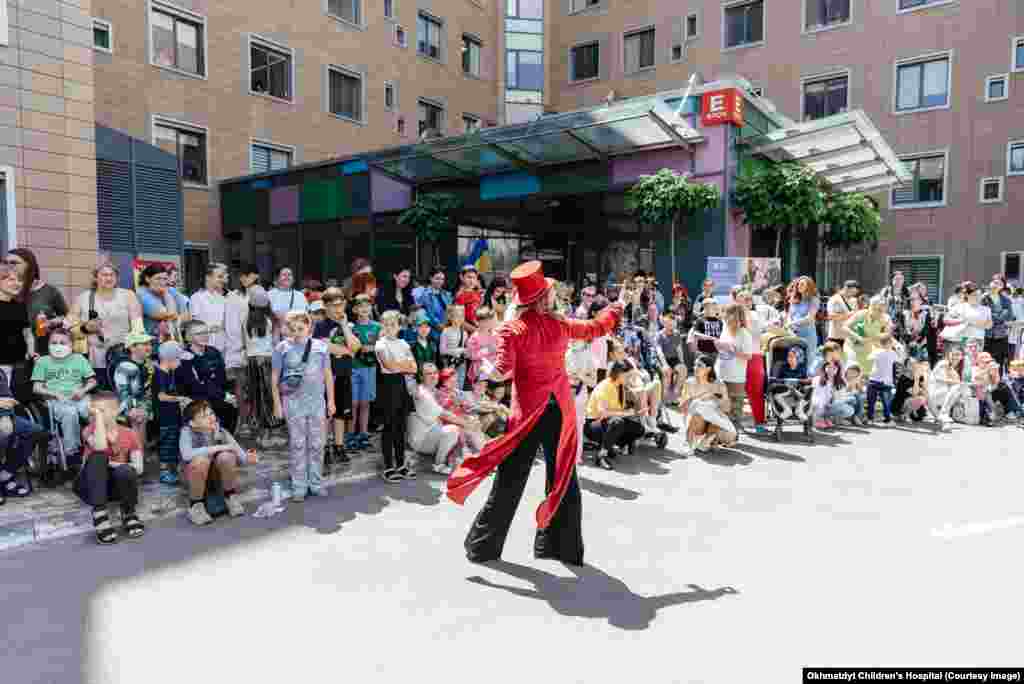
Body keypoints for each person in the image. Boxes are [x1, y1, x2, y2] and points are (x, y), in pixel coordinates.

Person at [447, 260, 626, 567]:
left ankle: (483, 548)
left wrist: (484, 368)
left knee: (508, 483)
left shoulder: (512, 329)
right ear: (544, 297)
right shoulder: (560, 323)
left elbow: (501, 372)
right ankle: (559, 548)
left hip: (527, 415)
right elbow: (597, 327)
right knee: (563, 480)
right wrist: (618, 306)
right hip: (558, 411)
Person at [272, 311, 335, 502]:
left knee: (317, 444)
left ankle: (316, 482)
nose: (297, 332)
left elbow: (327, 375)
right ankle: (299, 485)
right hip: (293, 402)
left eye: (301, 328)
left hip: (316, 402)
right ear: (288, 329)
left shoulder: (321, 347)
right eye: (293, 329)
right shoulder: (282, 347)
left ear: (309, 327)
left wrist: (331, 401)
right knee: (298, 444)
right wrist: (277, 404)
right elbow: (274, 376)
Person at [75, 394, 145, 544]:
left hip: (114, 487)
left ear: (116, 411)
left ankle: (128, 512)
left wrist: (113, 463)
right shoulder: (88, 430)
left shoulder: (130, 433)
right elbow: (100, 447)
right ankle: (100, 513)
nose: (95, 413)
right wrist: (99, 418)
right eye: (93, 410)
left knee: (125, 470)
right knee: (98, 457)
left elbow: (138, 468)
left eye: (101, 410)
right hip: (91, 485)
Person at [179, 400, 259, 525]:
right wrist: (219, 447)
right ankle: (196, 506)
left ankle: (230, 496)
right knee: (200, 460)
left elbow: (241, 456)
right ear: (192, 423)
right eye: (204, 416)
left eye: (211, 413)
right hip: (195, 476)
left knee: (227, 457)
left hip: (215, 477)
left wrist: (250, 458)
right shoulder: (186, 432)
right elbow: (187, 454)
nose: (211, 418)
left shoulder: (221, 431)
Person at [70, 261, 144, 390]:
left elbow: (138, 327)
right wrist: (85, 328)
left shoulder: (128, 296)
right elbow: (69, 330)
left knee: (125, 395)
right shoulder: (83, 298)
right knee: (99, 399)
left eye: (112, 275)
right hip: (94, 359)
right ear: (95, 277)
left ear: (117, 278)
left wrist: (139, 351)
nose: (109, 278)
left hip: (123, 356)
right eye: (104, 275)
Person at [31, 327, 96, 465]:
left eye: (62, 342)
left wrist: (83, 390)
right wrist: (54, 393)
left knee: (93, 412)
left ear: (71, 345)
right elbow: (36, 388)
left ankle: (96, 445)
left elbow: (92, 381)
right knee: (70, 413)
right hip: (56, 400)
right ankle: (72, 452)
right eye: (53, 343)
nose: (57, 346)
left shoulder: (79, 359)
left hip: (79, 396)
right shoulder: (43, 362)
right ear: (48, 344)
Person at [313, 287, 359, 464]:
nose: (338, 309)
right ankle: (324, 447)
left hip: (343, 373)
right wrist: (347, 350)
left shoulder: (348, 325)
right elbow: (323, 346)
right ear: (325, 306)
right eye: (334, 305)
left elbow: (356, 348)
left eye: (341, 304)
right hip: (326, 375)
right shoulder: (320, 326)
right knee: (326, 413)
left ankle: (339, 446)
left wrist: (345, 326)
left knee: (341, 413)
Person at [375, 310, 418, 482]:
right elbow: (389, 366)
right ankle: (388, 466)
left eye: (393, 324)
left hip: (401, 386)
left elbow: (414, 367)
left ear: (399, 326)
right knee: (389, 427)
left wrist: (401, 365)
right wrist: (403, 365)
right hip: (387, 386)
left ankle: (401, 464)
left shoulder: (404, 343)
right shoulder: (380, 344)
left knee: (401, 427)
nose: (389, 327)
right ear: (382, 326)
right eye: (386, 324)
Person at [5, 248, 68, 357]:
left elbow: (67, 317)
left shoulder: (49, 291)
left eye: (14, 263)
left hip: (44, 354)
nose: (9, 266)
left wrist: (52, 322)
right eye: (6, 263)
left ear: (29, 265)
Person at [407, 363, 466, 475]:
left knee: (459, 428)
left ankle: (464, 460)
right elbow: (444, 414)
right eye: (429, 374)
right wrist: (466, 423)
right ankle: (439, 464)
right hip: (422, 439)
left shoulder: (434, 391)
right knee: (454, 429)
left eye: (435, 373)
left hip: (433, 432)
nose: (433, 376)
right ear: (421, 377)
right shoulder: (422, 393)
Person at [180, 320, 238, 434]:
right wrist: (222, 395)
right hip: (196, 398)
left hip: (217, 394)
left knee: (231, 405)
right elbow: (194, 385)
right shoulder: (185, 357)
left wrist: (227, 394)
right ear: (188, 337)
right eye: (199, 334)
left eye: (206, 332)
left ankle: (225, 441)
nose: (204, 336)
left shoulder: (214, 352)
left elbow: (222, 378)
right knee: (212, 409)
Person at [583, 360, 643, 470]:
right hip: (594, 424)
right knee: (617, 422)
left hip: (608, 422)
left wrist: (635, 411)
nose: (630, 378)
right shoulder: (605, 386)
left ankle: (612, 447)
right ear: (620, 374)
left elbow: (617, 410)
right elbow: (604, 412)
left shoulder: (620, 387)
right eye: (628, 375)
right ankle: (601, 455)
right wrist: (625, 413)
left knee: (639, 429)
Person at [0, 365, 44, 502]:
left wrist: (5, 416)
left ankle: (6, 473)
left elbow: (7, 398)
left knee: (36, 431)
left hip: (4, 415)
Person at [224, 264, 259, 427]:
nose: (247, 279)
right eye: (245, 275)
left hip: (260, 347)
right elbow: (231, 325)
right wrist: (240, 346)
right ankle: (243, 421)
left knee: (257, 386)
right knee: (241, 386)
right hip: (240, 347)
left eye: (251, 275)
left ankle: (255, 420)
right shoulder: (234, 296)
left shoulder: (260, 294)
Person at [680, 354, 737, 453]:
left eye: (699, 365)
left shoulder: (719, 384)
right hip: (696, 420)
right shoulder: (689, 383)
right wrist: (696, 398)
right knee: (698, 407)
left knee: (729, 436)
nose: (695, 368)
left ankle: (706, 441)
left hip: (713, 421)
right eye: (695, 365)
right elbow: (682, 407)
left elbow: (727, 409)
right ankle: (688, 442)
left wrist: (717, 398)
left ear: (708, 369)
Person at [154, 341, 191, 484]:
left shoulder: (169, 372)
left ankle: (172, 470)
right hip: (164, 417)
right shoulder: (160, 374)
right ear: (169, 359)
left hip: (172, 415)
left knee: (173, 442)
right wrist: (179, 398)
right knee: (166, 444)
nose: (180, 362)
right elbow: (161, 396)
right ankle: (164, 472)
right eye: (178, 359)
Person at [349, 294, 380, 451]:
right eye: (360, 306)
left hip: (369, 368)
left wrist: (373, 348)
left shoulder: (377, 326)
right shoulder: (350, 327)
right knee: (353, 403)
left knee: (365, 403)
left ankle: (363, 434)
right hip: (353, 368)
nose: (364, 309)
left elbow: (382, 345)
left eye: (367, 305)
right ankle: (351, 435)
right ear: (355, 309)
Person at [715, 302, 753, 426]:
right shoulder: (725, 330)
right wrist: (718, 345)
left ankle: (732, 436)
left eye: (726, 314)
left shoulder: (744, 334)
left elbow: (748, 356)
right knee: (720, 410)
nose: (724, 317)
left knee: (734, 413)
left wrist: (733, 350)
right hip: (721, 374)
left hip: (736, 378)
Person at [566, 338, 598, 465]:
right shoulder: (565, 351)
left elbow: (593, 382)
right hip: (563, 393)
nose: (573, 338)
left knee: (578, 427)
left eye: (577, 335)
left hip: (579, 395)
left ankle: (576, 457)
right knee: (562, 427)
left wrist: (580, 376)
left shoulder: (589, 356)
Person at [0, 262, 33, 382]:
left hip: (19, 365)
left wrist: (31, 351)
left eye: (20, 280)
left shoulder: (20, 306)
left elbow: (27, 334)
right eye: (11, 280)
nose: (17, 284)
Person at [844, 296, 892, 376]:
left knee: (868, 375)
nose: (881, 313)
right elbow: (845, 327)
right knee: (853, 375)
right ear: (872, 307)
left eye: (883, 311)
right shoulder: (861, 314)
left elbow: (887, 334)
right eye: (879, 310)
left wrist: (876, 338)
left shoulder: (885, 318)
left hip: (868, 351)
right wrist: (858, 337)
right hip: (852, 348)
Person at [188, 263, 230, 354]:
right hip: (203, 348)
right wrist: (210, 328)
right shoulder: (196, 298)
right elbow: (194, 325)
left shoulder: (223, 299)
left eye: (222, 277)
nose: (222, 280)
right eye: (219, 277)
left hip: (222, 348)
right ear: (208, 278)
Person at [138, 264, 186, 343]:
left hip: (175, 342)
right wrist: (166, 294)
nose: (162, 282)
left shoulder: (171, 290)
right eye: (158, 278)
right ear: (147, 279)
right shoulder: (142, 294)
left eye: (165, 279)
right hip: (152, 345)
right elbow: (169, 314)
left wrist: (177, 319)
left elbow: (188, 316)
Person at [942, 283, 992, 352]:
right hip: (960, 339)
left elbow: (989, 325)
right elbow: (946, 319)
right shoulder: (960, 306)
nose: (978, 297)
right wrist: (961, 321)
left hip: (977, 340)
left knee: (973, 361)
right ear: (967, 295)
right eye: (975, 295)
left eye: (979, 295)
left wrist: (971, 322)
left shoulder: (986, 309)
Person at [786, 276, 820, 372]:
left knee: (808, 360)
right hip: (793, 334)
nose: (799, 286)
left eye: (802, 284)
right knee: (793, 361)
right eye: (798, 284)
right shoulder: (794, 298)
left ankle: (808, 384)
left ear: (808, 286)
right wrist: (789, 323)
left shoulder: (814, 299)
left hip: (808, 334)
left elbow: (809, 318)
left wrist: (792, 323)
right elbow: (789, 315)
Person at [767, 347, 811, 421]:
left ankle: (799, 409)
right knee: (775, 388)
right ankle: (787, 410)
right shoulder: (783, 367)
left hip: (797, 391)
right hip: (785, 391)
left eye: (792, 357)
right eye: (788, 356)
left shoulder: (803, 369)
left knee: (810, 389)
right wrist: (782, 382)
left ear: (798, 358)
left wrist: (802, 381)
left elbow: (807, 381)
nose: (789, 358)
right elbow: (777, 380)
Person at [981, 279, 1015, 371]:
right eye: (994, 282)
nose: (996, 285)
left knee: (998, 361)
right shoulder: (983, 298)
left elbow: (1010, 316)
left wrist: (995, 316)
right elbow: (983, 313)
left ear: (1002, 287)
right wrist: (1000, 315)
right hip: (986, 334)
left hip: (1001, 334)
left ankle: (997, 383)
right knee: (984, 359)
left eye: (999, 284)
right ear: (990, 283)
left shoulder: (1006, 299)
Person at [866, 333, 899, 425]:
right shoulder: (893, 353)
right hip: (886, 382)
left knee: (871, 402)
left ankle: (870, 419)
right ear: (890, 343)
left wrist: (874, 348)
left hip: (874, 380)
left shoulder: (876, 351)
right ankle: (887, 419)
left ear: (880, 343)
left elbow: (868, 358)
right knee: (886, 403)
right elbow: (898, 360)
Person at [267, 266, 307, 340]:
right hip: (275, 337)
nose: (287, 277)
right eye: (284, 275)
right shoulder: (269, 295)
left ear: (293, 279)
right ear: (277, 278)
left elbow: (306, 316)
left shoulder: (300, 295)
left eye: (289, 275)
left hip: (296, 337)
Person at [811, 360, 852, 429]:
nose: (831, 370)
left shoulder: (840, 381)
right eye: (829, 367)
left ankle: (828, 418)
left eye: (834, 368)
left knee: (849, 409)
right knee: (820, 402)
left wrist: (832, 399)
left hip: (832, 403)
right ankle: (819, 419)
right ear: (824, 368)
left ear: (837, 370)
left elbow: (841, 396)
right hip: (818, 403)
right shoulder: (818, 379)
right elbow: (816, 395)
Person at [417, 267, 452, 347]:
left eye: (442, 279)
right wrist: (442, 327)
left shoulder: (447, 294)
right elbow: (430, 315)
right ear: (430, 278)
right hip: (433, 333)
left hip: (447, 330)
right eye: (437, 278)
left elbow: (451, 311)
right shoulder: (425, 295)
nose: (440, 281)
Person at [466, 306, 498, 387]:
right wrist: (488, 350)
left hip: (493, 369)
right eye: (483, 321)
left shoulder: (495, 334)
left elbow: (499, 350)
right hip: (480, 370)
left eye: (488, 321)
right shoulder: (474, 337)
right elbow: (471, 355)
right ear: (478, 322)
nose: (486, 323)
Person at [440, 304, 469, 389]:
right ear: (450, 317)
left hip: (461, 363)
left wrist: (466, 352)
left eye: (462, 316)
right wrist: (457, 351)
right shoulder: (446, 331)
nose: (460, 318)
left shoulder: (464, 333)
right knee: (449, 384)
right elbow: (442, 350)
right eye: (457, 316)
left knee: (459, 385)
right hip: (449, 363)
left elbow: (466, 349)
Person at [689, 299, 723, 366]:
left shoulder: (720, 321)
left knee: (715, 374)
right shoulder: (700, 320)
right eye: (707, 307)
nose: (710, 309)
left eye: (712, 306)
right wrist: (711, 338)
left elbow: (723, 336)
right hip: (703, 352)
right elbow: (696, 334)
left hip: (716, 353)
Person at [826, 280, 859, 347]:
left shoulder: (854, 300)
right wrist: (850, 314)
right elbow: (831, 316)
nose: (853, 294)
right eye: (852, 292)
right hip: (836, 336)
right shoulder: (834, 299)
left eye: (855, 293)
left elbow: (856, 317)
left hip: (849, 337)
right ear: (846, 288)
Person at [882, 271, 911, 341]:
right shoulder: (886, 291)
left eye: (901, 279)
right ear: (892, 280)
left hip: (903, 324)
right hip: (888, 322)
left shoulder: (907, 292)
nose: (899, 281)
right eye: (896, 279)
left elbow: (910, 308)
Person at [454, 265, 483, 333]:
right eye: (469, 277)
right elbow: (459, 320)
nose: (471, 280)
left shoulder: (478, 294)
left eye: (474, 278)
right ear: (461, 277)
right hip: (467, 334)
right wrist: (476, 330)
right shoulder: (459, 296)